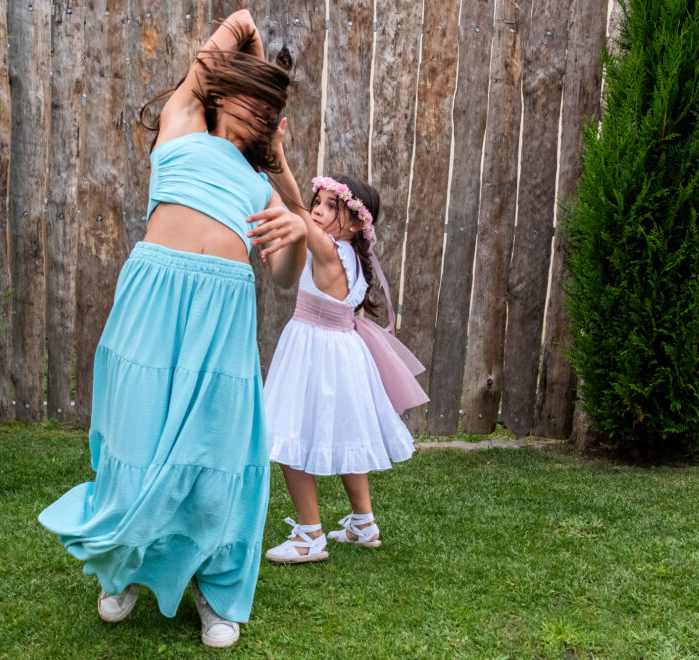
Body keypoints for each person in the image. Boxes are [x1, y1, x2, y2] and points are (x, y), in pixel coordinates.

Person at [37, 10, 306, 648]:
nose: (256, 114)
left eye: (267, 112)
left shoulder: (259, 185)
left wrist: (295, 222)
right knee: (137, 437)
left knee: (217, 454)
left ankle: (216, 594)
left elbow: (287, 276)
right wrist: (259, 68)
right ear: (222, 92)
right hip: (155, 299)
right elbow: (236, 22)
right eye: (249, 100)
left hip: (224, 317)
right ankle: (124, 565)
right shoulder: (181, 122)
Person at [261, 118, 429, 564]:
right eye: (318, 201)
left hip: (313, 349)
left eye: (330, 206)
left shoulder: (330, 250)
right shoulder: (355, 259)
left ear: (355, 223)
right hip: (343, 352)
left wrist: (275, 151)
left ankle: (309, 535)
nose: (316, 209)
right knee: (345, 436)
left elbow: (292, 206)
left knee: (288, 433)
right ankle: (362, 522)